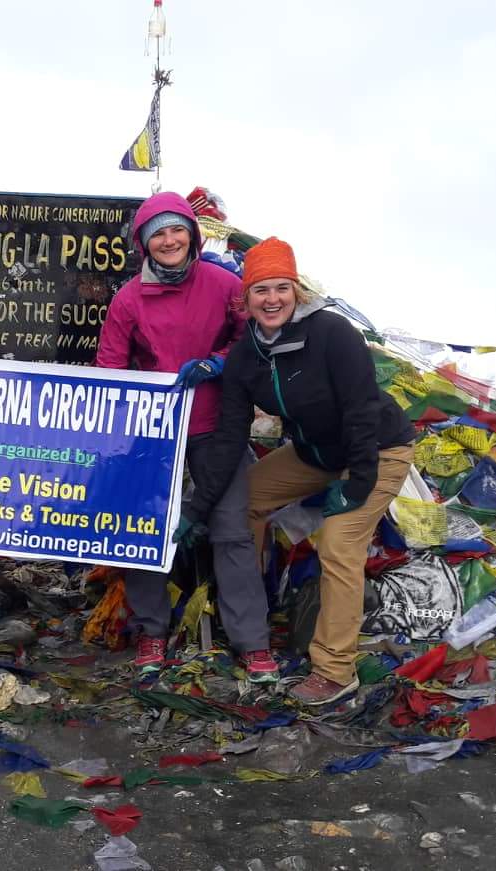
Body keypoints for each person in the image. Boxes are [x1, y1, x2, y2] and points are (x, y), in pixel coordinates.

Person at [185, 238, 416, 706]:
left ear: (296, 291)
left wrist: (358, 483)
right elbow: (230, 437)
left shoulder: (333, 333)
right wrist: (200, 505)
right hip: (314, 454)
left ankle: (334, 669)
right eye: (260, 291)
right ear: (244, 299)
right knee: (241, 502)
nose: (272, 299)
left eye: (281, 288)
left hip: (378, 448)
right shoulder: (247, 358)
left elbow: (361, 410)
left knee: (339, 540)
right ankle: (254, 613)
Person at [94, 192, 276, 680]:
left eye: (177, 230)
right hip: (153, 433)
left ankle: (252, 643)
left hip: (218, 424)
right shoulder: (129, 298)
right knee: (143, 533)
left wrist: (218, 362)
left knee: (233, 534)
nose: (169, 240)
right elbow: (109, 365)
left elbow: (252, 337)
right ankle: (152, 631)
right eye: (158, 232)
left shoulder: (222, 283)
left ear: (192, 235)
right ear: (144, 243)